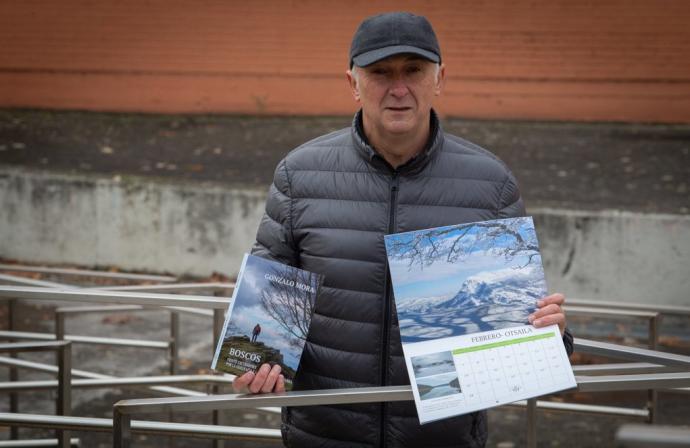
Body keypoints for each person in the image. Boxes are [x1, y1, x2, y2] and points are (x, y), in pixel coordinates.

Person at [233, 11, 573, 447]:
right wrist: (254, 363)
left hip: (441, 437)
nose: (398, 89)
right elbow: (269, 298)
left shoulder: (490, 183)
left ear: (440, 79)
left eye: (413, 70)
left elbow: (515, 324)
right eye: (379, 72)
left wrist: (550, 336)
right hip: (324, 435)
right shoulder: (299, 175)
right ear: (352, 83)